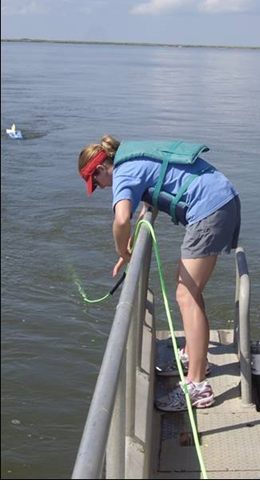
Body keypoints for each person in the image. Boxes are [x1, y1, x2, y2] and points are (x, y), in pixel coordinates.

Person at [78, 135, 241, 412]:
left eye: (98, 182)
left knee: (186, 294)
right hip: (221, 199)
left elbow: (120, 220)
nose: (103, 188)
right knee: (191, 291)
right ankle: (192, 356)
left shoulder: (123, 173)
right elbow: (151, 199)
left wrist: (122, 251)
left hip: (210, 209)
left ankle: (198, 386)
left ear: (103, 168)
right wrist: (135, 237)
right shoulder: (134, 161)